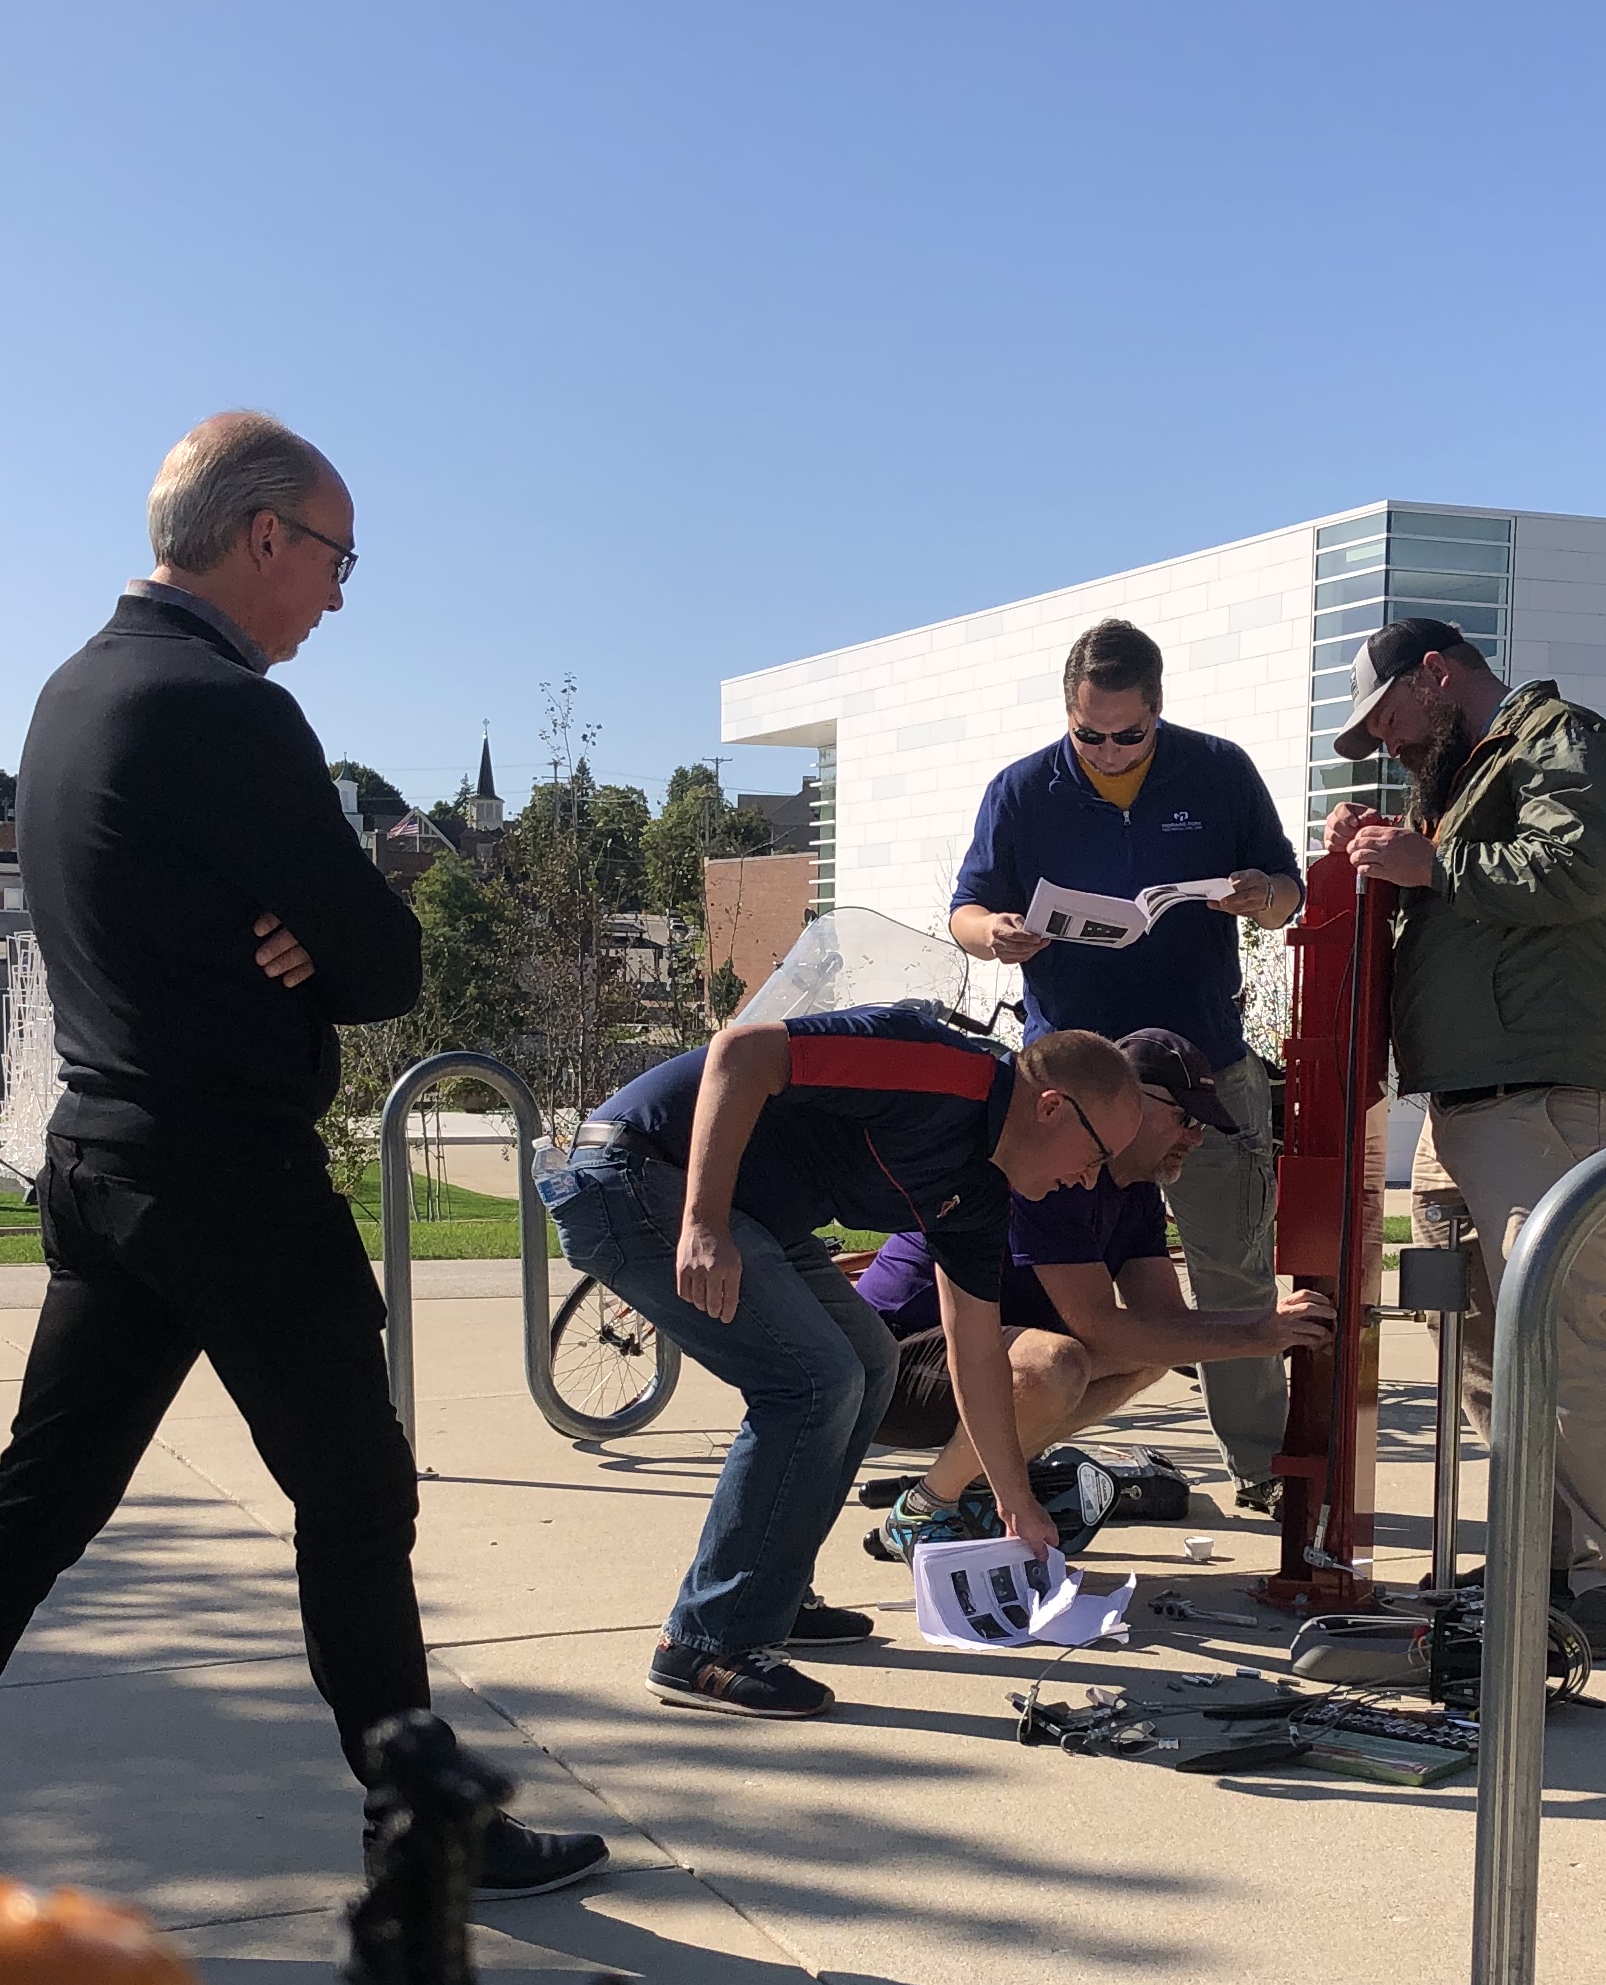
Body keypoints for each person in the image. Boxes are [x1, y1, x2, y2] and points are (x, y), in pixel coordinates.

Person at [0, 410, 605, 1894]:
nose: (333, 594)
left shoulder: (69, 695)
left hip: (103, 1162)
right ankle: (416, 1828)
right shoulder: (227, 709)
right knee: (359, 1494)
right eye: (335, 560)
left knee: (32, 1512)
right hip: (228, 1176)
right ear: (264, 537)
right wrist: (318, 936)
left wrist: (303, 934)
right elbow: (387, 961)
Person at [546, 1010, 1144, 1718]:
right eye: (1097, 1156)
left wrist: (1016, 1502)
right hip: (638, 1173)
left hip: (755, 1216)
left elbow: (976, 1352)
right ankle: (705, 1645)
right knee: (812, 1381)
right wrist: (703, 1220)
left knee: (868, 1360)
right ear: (1051, 1107)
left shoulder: (981, 1193)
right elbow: (742, 1053)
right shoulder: (946, 1070)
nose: (1087, 1181)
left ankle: (770, 1593)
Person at [1329, 616, 1606, 1658]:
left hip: (1546, 1098)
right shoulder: (1474, 772)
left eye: (1387, 720)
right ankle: (1544, 1550)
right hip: (1471, 1104)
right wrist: (1392, 849)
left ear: (1436, 675)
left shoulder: (1563, 740)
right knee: (1478, 1342)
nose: (1386, 743)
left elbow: (1574, 874)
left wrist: (1426, 861)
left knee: (1565, 1339)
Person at [946, 618, 1301, 1509]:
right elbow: (965, 908)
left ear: (1159, 712)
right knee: (1041, 1283)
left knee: (1230, 1268)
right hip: (1069, 1091)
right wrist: (994, 936)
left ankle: (1259, 1465)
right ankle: (992, 1458)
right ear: (1068, 715)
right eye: (1087, 734)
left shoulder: (1218, 769)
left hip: (1201, 1073)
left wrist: (1261, 898)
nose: (1107, 750)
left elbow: (1290, 888)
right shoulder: (1022, 790)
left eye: (1128, 735)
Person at [857, 1028, 1333, 1550]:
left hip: (969, 1362)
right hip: (887, 1364)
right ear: (1132, 1103)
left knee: (1148, 1354)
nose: (1195, 1138)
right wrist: (1258, 1334)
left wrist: (1269, 1328)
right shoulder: (1058, 1171)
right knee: (1056, 1364)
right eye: (1186, 1118)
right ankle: (928, 1507)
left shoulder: (1135, 1191)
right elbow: (1097, 1327)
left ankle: (971, 1487)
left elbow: (1162, 1328)